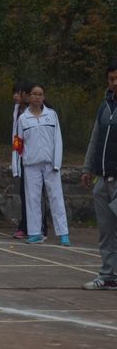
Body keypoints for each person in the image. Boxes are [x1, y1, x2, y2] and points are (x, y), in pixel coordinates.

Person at [14, 83, 70, 245]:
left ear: (44, 97)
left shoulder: (51, 115)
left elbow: (58, 140)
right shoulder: (23, 119)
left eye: (40, 94)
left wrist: (57, 163)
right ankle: (34, 233)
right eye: (34, 94)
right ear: (29, 97)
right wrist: (17, 167)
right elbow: (17, 143)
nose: (37, 97)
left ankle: (63, 233)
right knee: (32, 198)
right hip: (31, 164)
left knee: (56, 197)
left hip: (50, 164)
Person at [81, 60, 117, 290]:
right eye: (111, 78)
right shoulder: (104, 107)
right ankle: (108, 275)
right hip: (103, 179)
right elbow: (95, 139)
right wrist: (87, 168)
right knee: (106, 231)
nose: (115, 83)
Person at [11, 81, 49, 239]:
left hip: (38, 158)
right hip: (23, 156)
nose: (16, 96)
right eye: (14, 93)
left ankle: (41, 227)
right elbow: (16, 136)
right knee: (24, 192)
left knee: (37, 194)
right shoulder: (17, 111)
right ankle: (25, 225)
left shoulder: (44, 112)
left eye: (19, 93)